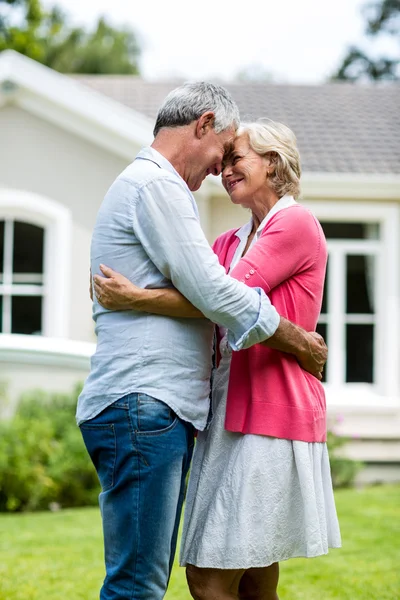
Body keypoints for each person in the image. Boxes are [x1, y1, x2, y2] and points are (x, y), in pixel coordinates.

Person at [80, 83, 327, 600]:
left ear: (275, 164)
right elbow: (217, 294)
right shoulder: (167, 193)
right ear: (203, 125)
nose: (222, 167)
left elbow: (217, 293)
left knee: (245, 571)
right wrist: (299, 341)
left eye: (239, 157)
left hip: (249, 409)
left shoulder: (292, 223)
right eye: (225, 151)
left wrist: (141, 298)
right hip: (167, 403)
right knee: (164, 579)